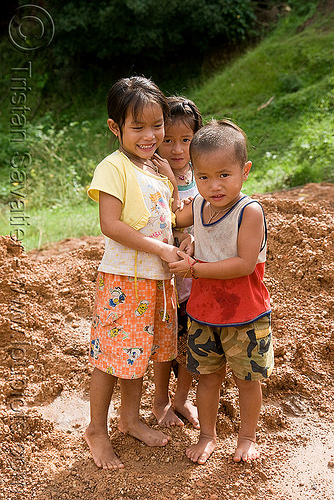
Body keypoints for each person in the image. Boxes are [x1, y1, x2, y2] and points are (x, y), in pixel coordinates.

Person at [84, 76, 181, 469]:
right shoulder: (113, 166)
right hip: (124, 281)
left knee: (139, 354)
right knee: (111, 358)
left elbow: (171, 214)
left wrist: (181, 240)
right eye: (137, 127)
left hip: (157, 281)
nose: (150, 135)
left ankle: (130, 418)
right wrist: (161, 248)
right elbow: (110, 224)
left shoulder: (154, 168)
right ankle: (96, 428)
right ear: (115, 128)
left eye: (156, 125)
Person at [169, 119, 274, 465]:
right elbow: (171, 217)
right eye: (203, 177)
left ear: (245, 171)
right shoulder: (198, 206)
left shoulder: (250, 211)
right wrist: (164, 178)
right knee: (208, 377)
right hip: (204, 312)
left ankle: (246, 437)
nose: (214, 186)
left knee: (247, 379)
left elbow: (244, 263)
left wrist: (194, 268)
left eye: (224, 175)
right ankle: (208, 435)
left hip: (245, 312)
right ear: (194, 174)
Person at [152, 96, 202, 429]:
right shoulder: (153, 173)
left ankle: (182, 399)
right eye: (168, 140)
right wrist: (169, 178)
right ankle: (160, 401)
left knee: (192, 342)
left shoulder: (205, 172)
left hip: (198, 275)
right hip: (166, 274)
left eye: (186, 140)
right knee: (166, 342)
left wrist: (195, 236)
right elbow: (162, 220)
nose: (177, 148)